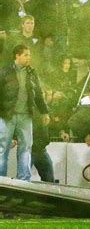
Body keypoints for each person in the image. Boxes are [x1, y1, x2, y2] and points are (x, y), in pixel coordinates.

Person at [0, 44, 50, 180]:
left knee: (26, 148)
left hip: (26, 116)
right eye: (26, 55)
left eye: (29, 55)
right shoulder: (4, 71)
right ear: (17, 55)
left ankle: (24, 179)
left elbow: (39, 93)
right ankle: (0, 179)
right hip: (7, 115)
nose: (29, 57)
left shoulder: (31, 72)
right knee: (3, 148)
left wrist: (44, 112)